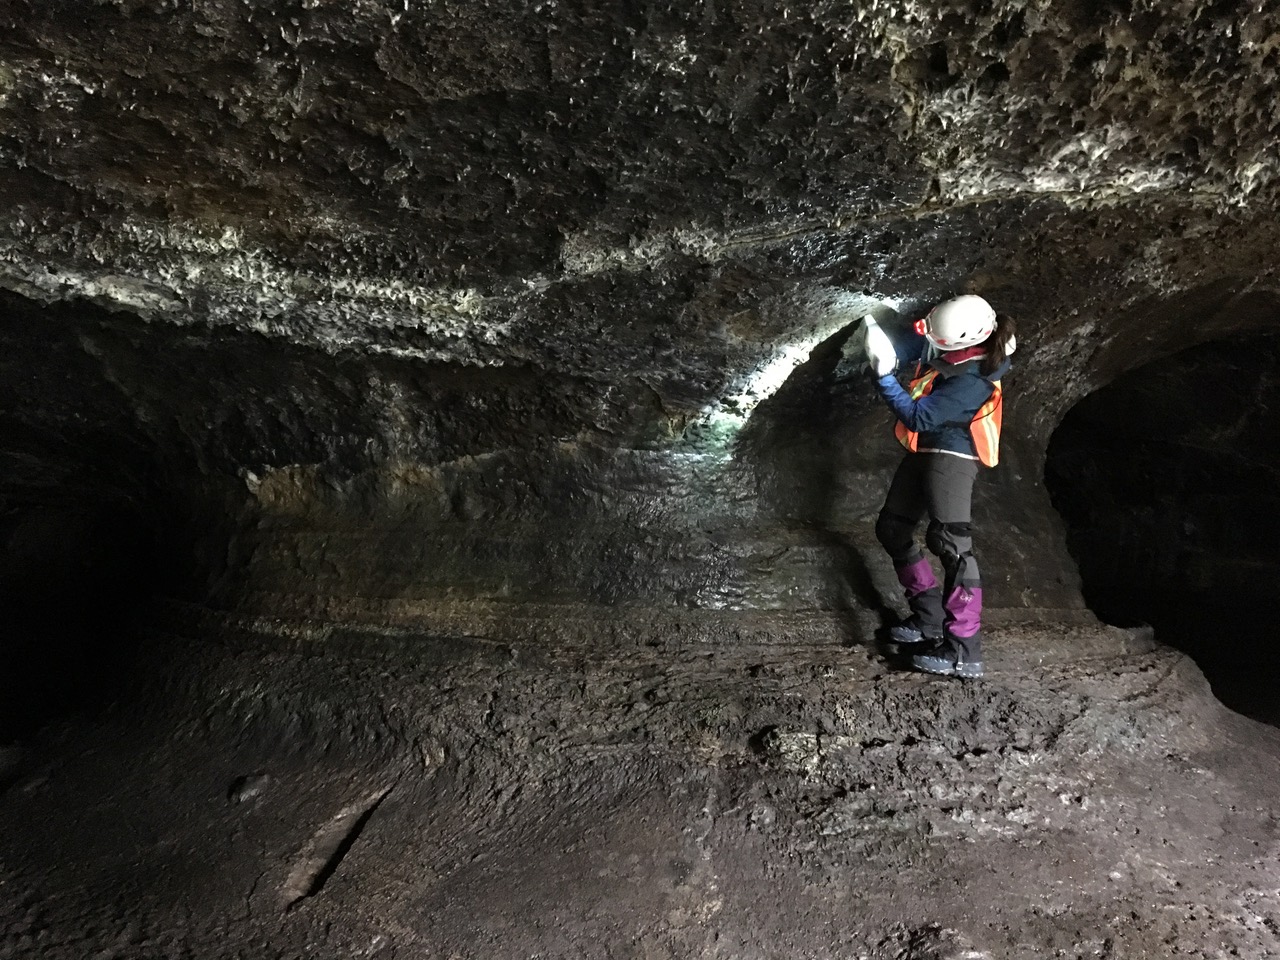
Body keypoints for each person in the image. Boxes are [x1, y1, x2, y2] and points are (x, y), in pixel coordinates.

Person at [861, 295, 1017, 679]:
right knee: (893, 528)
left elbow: (918, 416)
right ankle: (928, 620)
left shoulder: (975, 380)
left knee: (952, 544)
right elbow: (933, 348)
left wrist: (884, 376)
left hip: (953, 458)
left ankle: (965, 650)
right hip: (926, 451)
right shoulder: (970, 343)